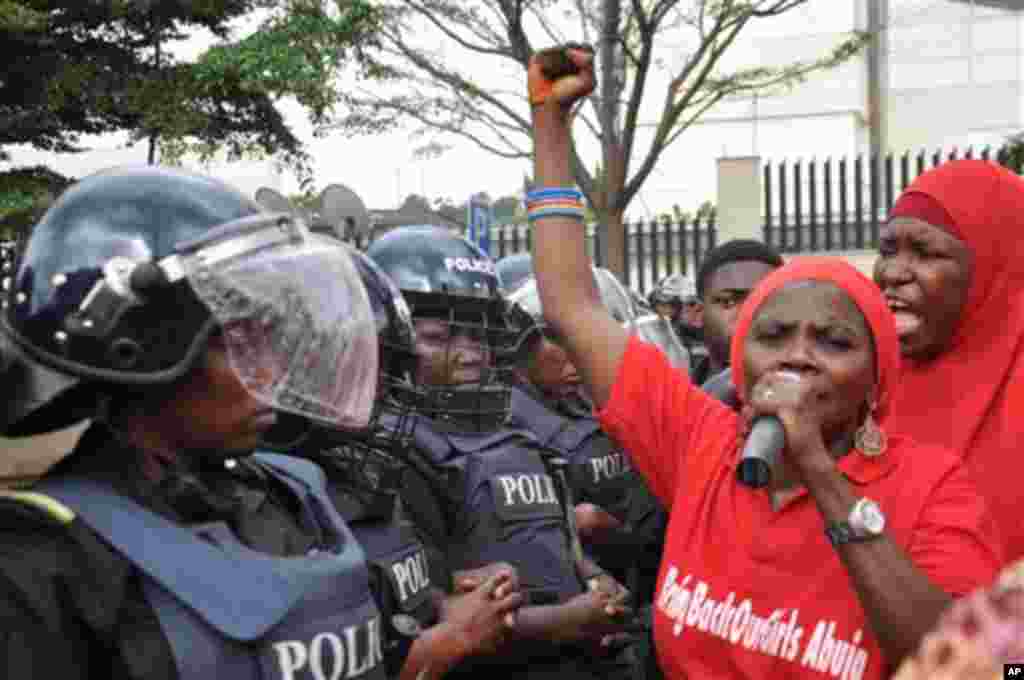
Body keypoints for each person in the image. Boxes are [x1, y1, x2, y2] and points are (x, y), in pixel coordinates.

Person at [525, 44, 1003, 678]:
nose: (798, 356)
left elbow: (960, 666)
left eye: (833, 342)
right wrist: (551, 126)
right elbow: (573, 306)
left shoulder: (932, 489)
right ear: (741, 360)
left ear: (875, 383)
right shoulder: (701, 445)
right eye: (773, 334)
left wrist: (822, 478)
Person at [0, 165, 401, 679]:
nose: (274, 372)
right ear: (141, 351)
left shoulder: (292, 495)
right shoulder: (42, 565)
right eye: (238, 341)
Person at [366, 225, 634, 680]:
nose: (469, 354)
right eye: (439, 337)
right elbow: (428, 614)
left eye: (478, 335)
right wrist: (567, 622)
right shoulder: (391, 450)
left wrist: (593, 578)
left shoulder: (511, 429)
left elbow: (557, 536)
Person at [261, 246, 525, 680]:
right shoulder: (260, 511)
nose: (377, 391)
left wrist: (450, 597)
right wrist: (445, 644)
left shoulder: (361, 470)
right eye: (357, 368)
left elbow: (398, 594)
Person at [874, 158, 1024, 563]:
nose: (893, 273)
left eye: (924, 253)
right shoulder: (863, 383)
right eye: (887, 250)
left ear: (995, 269)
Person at [506, 276, 667, 605]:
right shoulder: (504, 426)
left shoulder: (587, 403)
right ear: (523, 345)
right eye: (562, 341)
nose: (581, 355)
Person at [648, 273, 710, 382]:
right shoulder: (654, 335)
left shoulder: (707, 335)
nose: (665, 310)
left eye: (692, 304)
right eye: (662, 304)